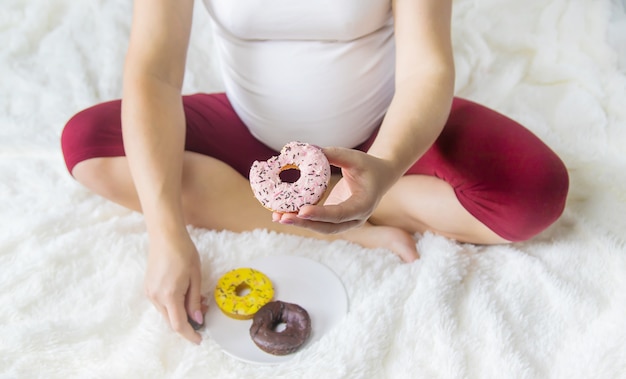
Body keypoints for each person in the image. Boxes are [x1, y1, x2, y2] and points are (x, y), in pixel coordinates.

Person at [60, 0, 569, 344]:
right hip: (250, 138)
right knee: (89, 146)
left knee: (534, 194)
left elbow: (427, 70)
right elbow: (153, 72)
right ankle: (334, 219)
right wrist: (165, 233)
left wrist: (386, 168)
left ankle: (361, 195)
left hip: (379, 136)